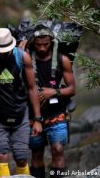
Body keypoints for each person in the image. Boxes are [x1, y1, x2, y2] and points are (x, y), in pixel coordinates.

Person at [0, 28, 42, 177]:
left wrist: (37, 119)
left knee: (22, 158)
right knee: (1, 156)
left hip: (20, 114)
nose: (2, 53)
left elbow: (32, 88)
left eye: (5, 50)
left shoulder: (22, 57)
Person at [28, 26, 76, 178]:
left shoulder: (63, 60)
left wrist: (53, 92)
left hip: (57, 113)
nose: (42, 48)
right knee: (36, 153)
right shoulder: (27, 58)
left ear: (52, 42)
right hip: (32, 115)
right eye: (38, 45)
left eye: (46, 44)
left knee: (58, 150)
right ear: (33, 43)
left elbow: (72, 89)